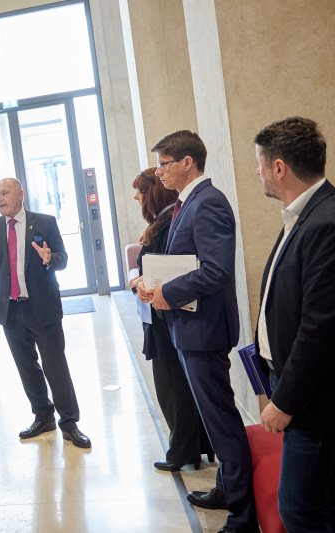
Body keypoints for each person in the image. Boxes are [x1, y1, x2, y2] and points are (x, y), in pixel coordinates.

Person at [138, 131, 256, 533]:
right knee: (213, 420)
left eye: (164, 163)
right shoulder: (185, 204)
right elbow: (186, 262)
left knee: (222, 423)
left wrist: (167, 293)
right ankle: (225, 490)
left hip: (204, 331)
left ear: (187, 162)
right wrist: (153, 285)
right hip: (190, 329)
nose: (159, 171)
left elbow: (216, 270)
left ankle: (242, 516)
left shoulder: (208, 203)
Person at [253, 117, 335, 532]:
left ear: (279, 167)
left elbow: (321, 326)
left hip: (314, 404)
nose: (258, 172)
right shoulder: (304, 214)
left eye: (261, 164)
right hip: (299, 391)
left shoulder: (326, 221)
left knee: (299, 510)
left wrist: (284, 401)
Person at [0, 178, 90, 449]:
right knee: (27, 367)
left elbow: (63, 258)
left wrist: (50, 259)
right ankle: (43, 416)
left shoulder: (45, 222)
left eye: (4, 193)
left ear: (20, 194)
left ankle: (70, 422)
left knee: (55, 366)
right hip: (10, 310)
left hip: (43, 308)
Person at [129, 168, 214, 472]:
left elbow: (170, 270)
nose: (137, 197)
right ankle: (195, 446)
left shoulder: (168, 223)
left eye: (140, 190)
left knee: (172, 386)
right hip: (163, 311)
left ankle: (181, 452)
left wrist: (143, 282)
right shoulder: (165, 221)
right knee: (178, 384)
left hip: (166, 314)